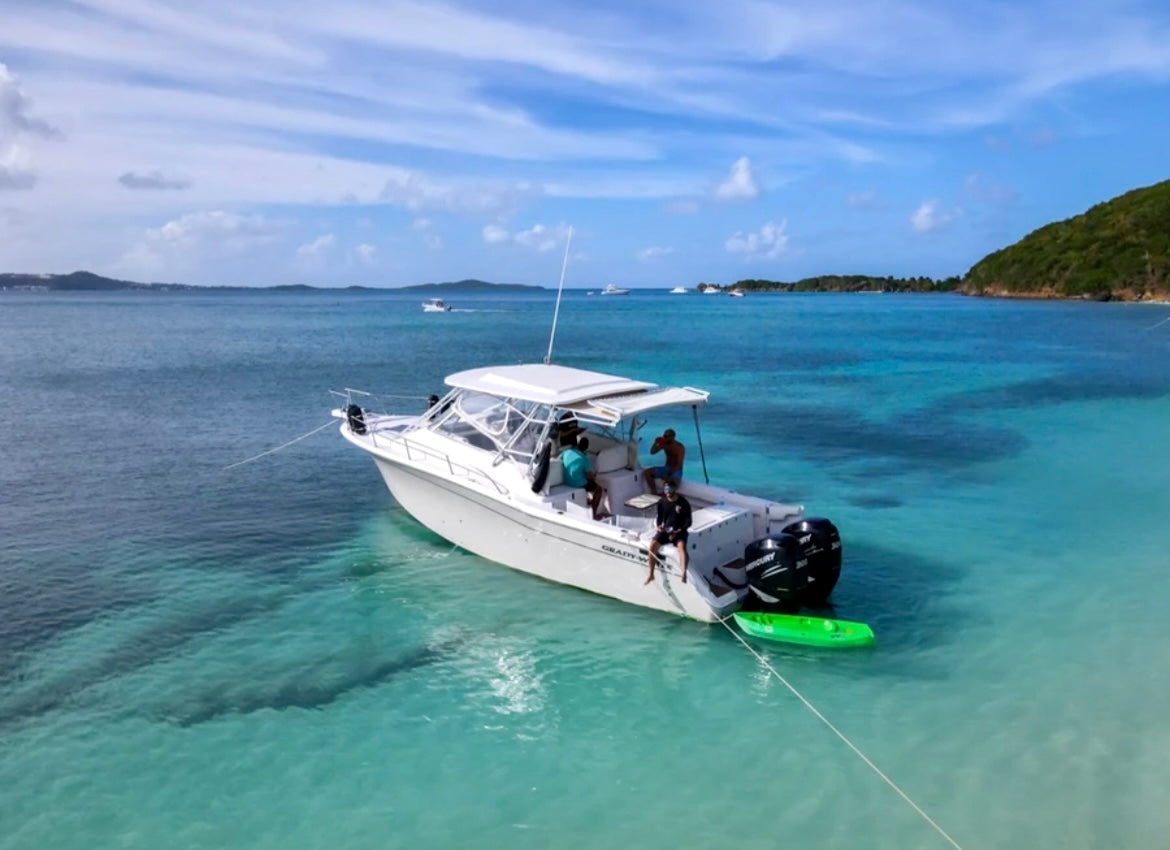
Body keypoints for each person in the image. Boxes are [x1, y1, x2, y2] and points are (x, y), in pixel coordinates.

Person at [645, 481, 691, 584]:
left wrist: (678, 531)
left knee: (681, 547)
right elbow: (660, 518)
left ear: (674, 489)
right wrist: (658, 526)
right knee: (652, 545)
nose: (667, 492)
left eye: (669, 490)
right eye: (666, 490)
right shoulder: (662, 502)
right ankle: (651, 574)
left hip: (679, 530)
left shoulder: (683, 502)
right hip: (666, 530)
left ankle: (683, 572)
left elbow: (689, 521)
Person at [560, 437, 608, 520]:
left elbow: (560, 458)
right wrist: (594, 477)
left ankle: (588, 500)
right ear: (586, 448)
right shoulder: (584, 459)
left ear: (578, 444)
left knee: (585, 481)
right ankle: (594, 513)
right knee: (598, 489)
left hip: (566, 481)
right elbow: (589, 476)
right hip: (577, 483)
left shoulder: (567, 452)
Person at [643, 428, 685, 494]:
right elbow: (652, 452)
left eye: (666, 436)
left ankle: (665, 496)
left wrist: (668, 473)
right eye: (664, 436)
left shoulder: (679, 447)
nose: (664, 438)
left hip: (676, 470)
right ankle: (654, 491)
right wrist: (655, 443)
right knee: (647, 472)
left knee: (674, 484)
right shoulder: (664, 444)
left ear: (672, 437)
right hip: (666, 468)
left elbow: (679, 465)